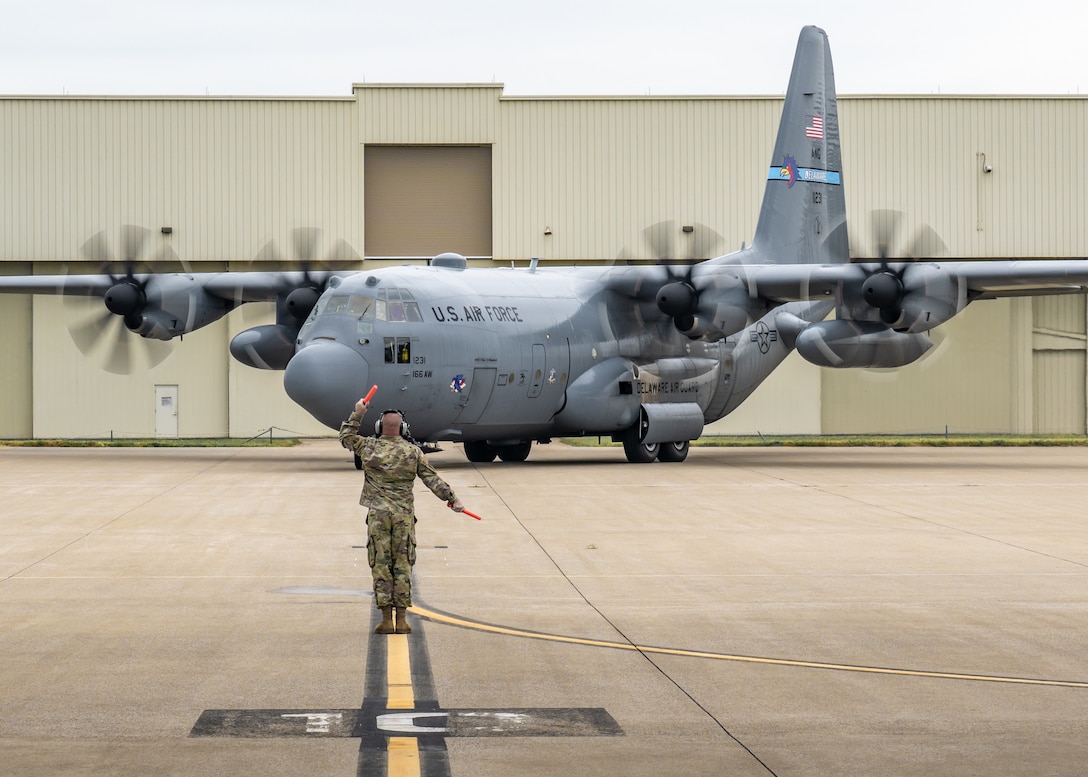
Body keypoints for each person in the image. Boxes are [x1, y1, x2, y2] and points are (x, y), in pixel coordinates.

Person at [339, 396, 465, 635]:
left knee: (381, 565)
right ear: (403, 429)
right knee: (403, 565)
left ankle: (386, 620)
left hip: (378, 516)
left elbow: (345, 438)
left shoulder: (368, 447)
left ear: (379, 428)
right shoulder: (412, 452)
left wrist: (358, 413)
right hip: (403, 517)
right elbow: (432, 479)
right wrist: (453, 499)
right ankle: (403, 620)